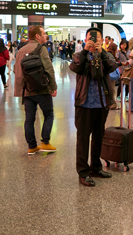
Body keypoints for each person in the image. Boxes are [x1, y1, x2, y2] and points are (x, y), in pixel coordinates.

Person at [69, 27, 118, 187]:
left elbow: (113, 66)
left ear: (102, 40)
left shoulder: (105, 55)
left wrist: (102, 52)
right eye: (92, 38)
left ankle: (96, 167)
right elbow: (74, 67)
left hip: (102, 103)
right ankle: (83, 172)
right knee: (83, 139)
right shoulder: (80, 55)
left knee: (98, 137)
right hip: (84, 104)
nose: (95, 41)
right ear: (85, 39)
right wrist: (85, 50)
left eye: (98, 38)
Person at [14, 26, 58, 154]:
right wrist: (53, 87)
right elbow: (49, 69)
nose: (46, 36)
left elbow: (17, 72)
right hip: (42, 89)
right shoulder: (41, 49)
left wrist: (21, 89)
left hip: (27, 90)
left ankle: (32, 146)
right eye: (44, 33)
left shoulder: (21, 50)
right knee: (49, 114)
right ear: (37, 36)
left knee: (29, 119)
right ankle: (45, 142)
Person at [107, 42, 121, 110]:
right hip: (110, 75)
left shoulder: (108, 54)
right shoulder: (110, 55)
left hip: (108, 74)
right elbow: (112, 64)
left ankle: (111, 103)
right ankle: (112, 104)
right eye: (116, 48)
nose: (117, 50)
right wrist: (120, 64)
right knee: (112, 89)